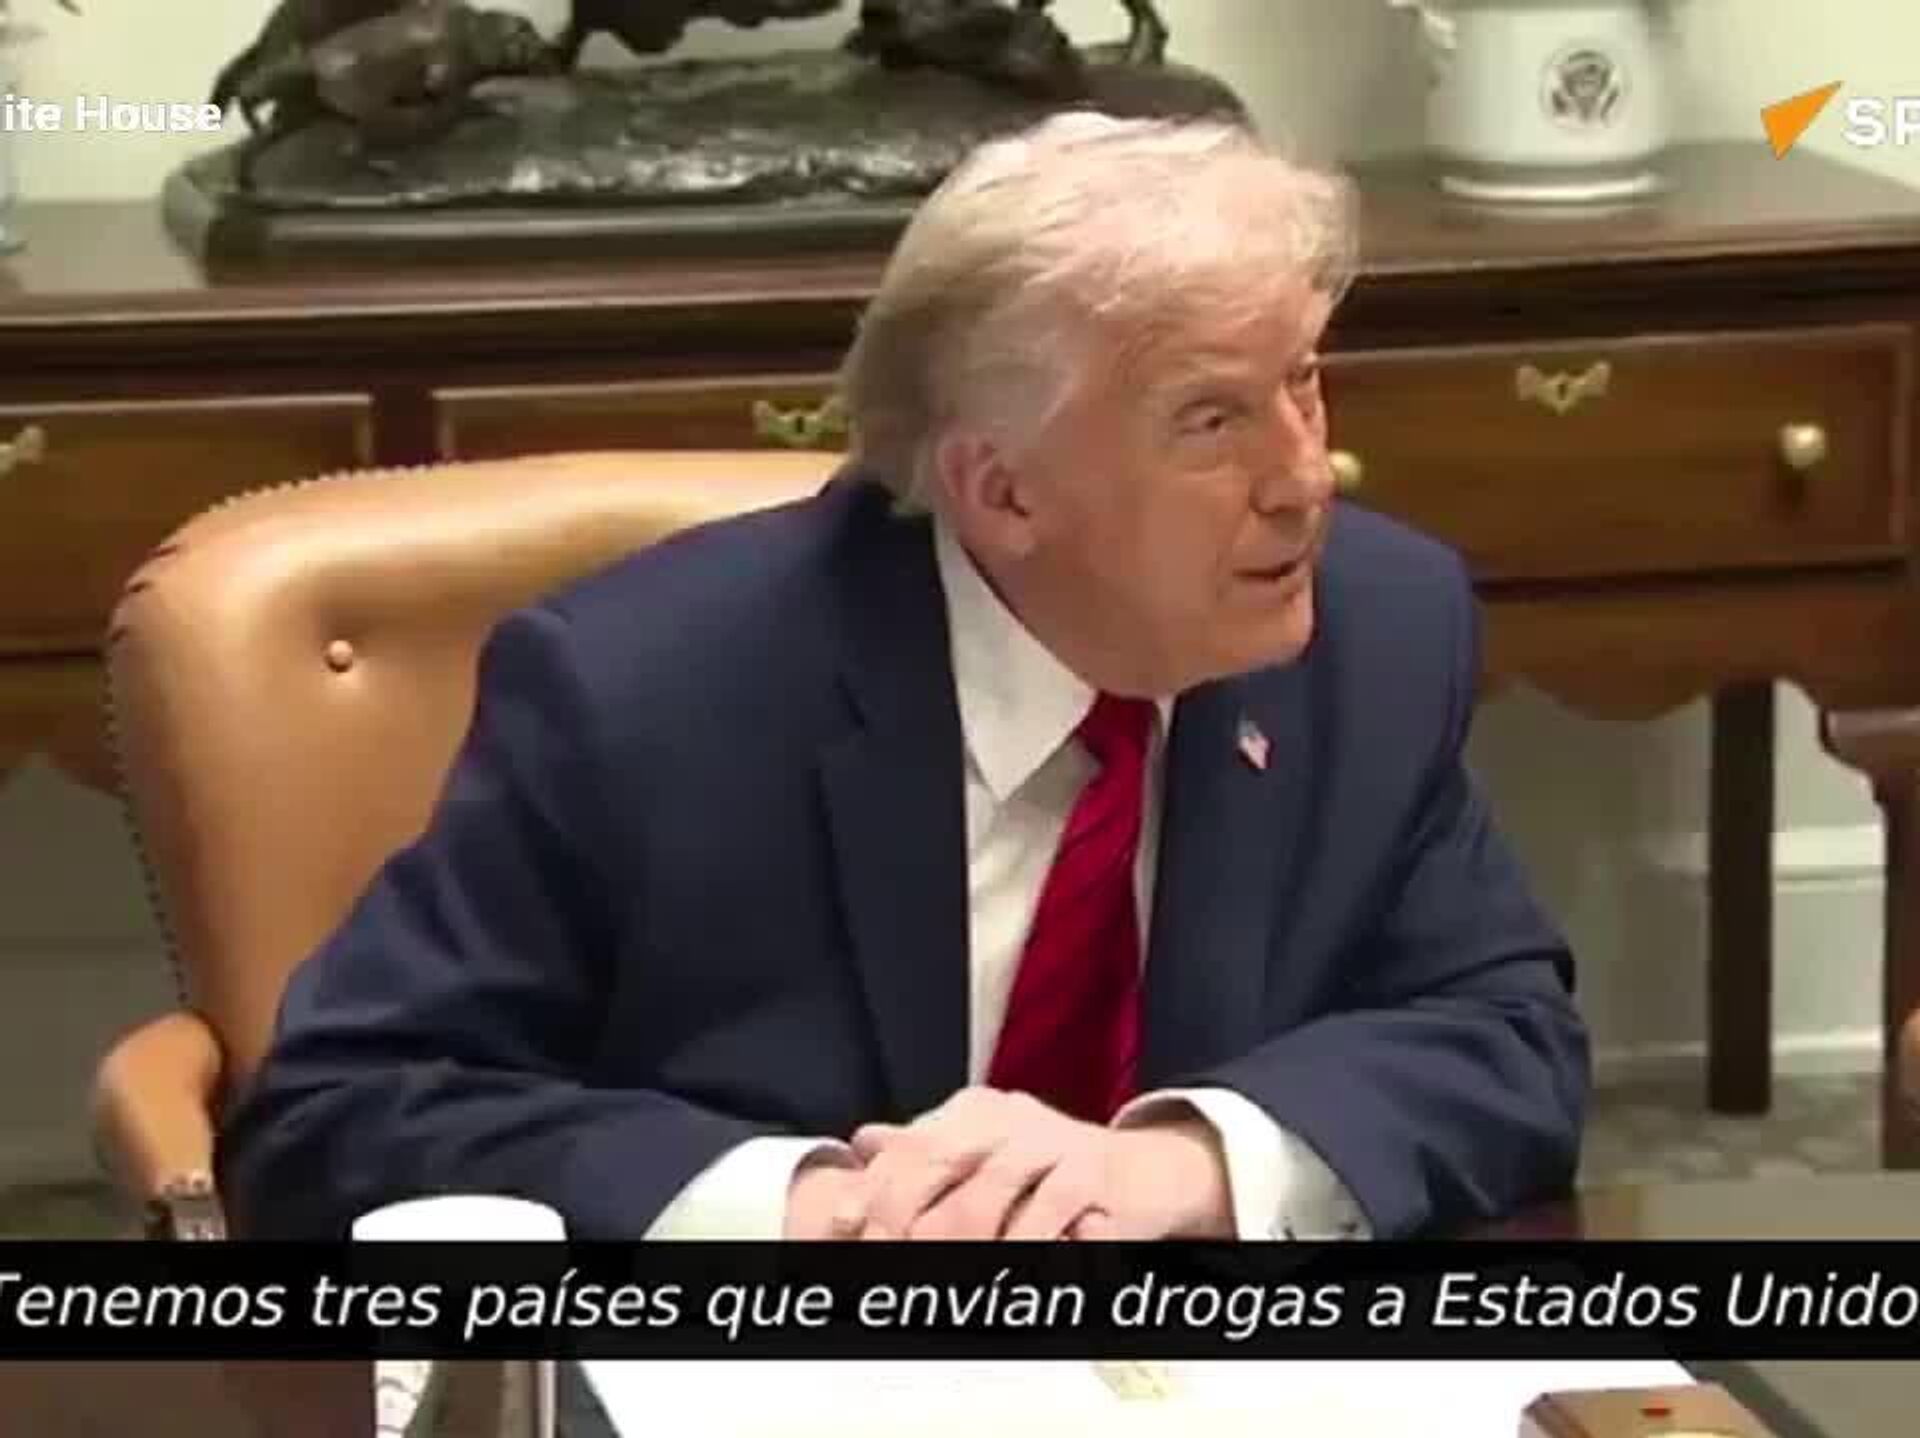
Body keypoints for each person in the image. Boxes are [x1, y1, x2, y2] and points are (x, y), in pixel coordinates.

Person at [217, 112, 1588, 1243]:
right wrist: (810, 1205)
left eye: (1304, 382)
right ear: (1002, 492)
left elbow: (1504, 1033)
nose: (1304, 478)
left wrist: (1182, 1161)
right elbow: (341, 1114)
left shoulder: (1373, 631)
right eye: (1212, 420)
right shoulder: (644, 694)